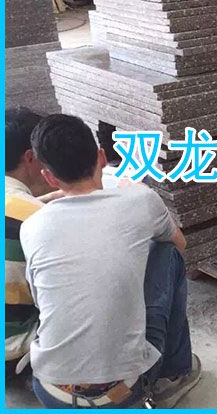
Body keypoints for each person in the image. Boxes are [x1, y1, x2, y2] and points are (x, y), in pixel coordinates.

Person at [20, 114, 201, 408]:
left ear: (49, 177)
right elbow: (180, 244)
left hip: (50, 391)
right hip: (120, 394)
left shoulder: (32, 226)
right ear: (102, 158)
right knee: (167, 255)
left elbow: (40, 300)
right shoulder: (141, 200)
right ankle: (174, 373)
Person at [5, 108, 56, 377]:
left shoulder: (24, 210)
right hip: (14, 352)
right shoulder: (37, 219)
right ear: (30, 157)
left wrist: (36, 203)